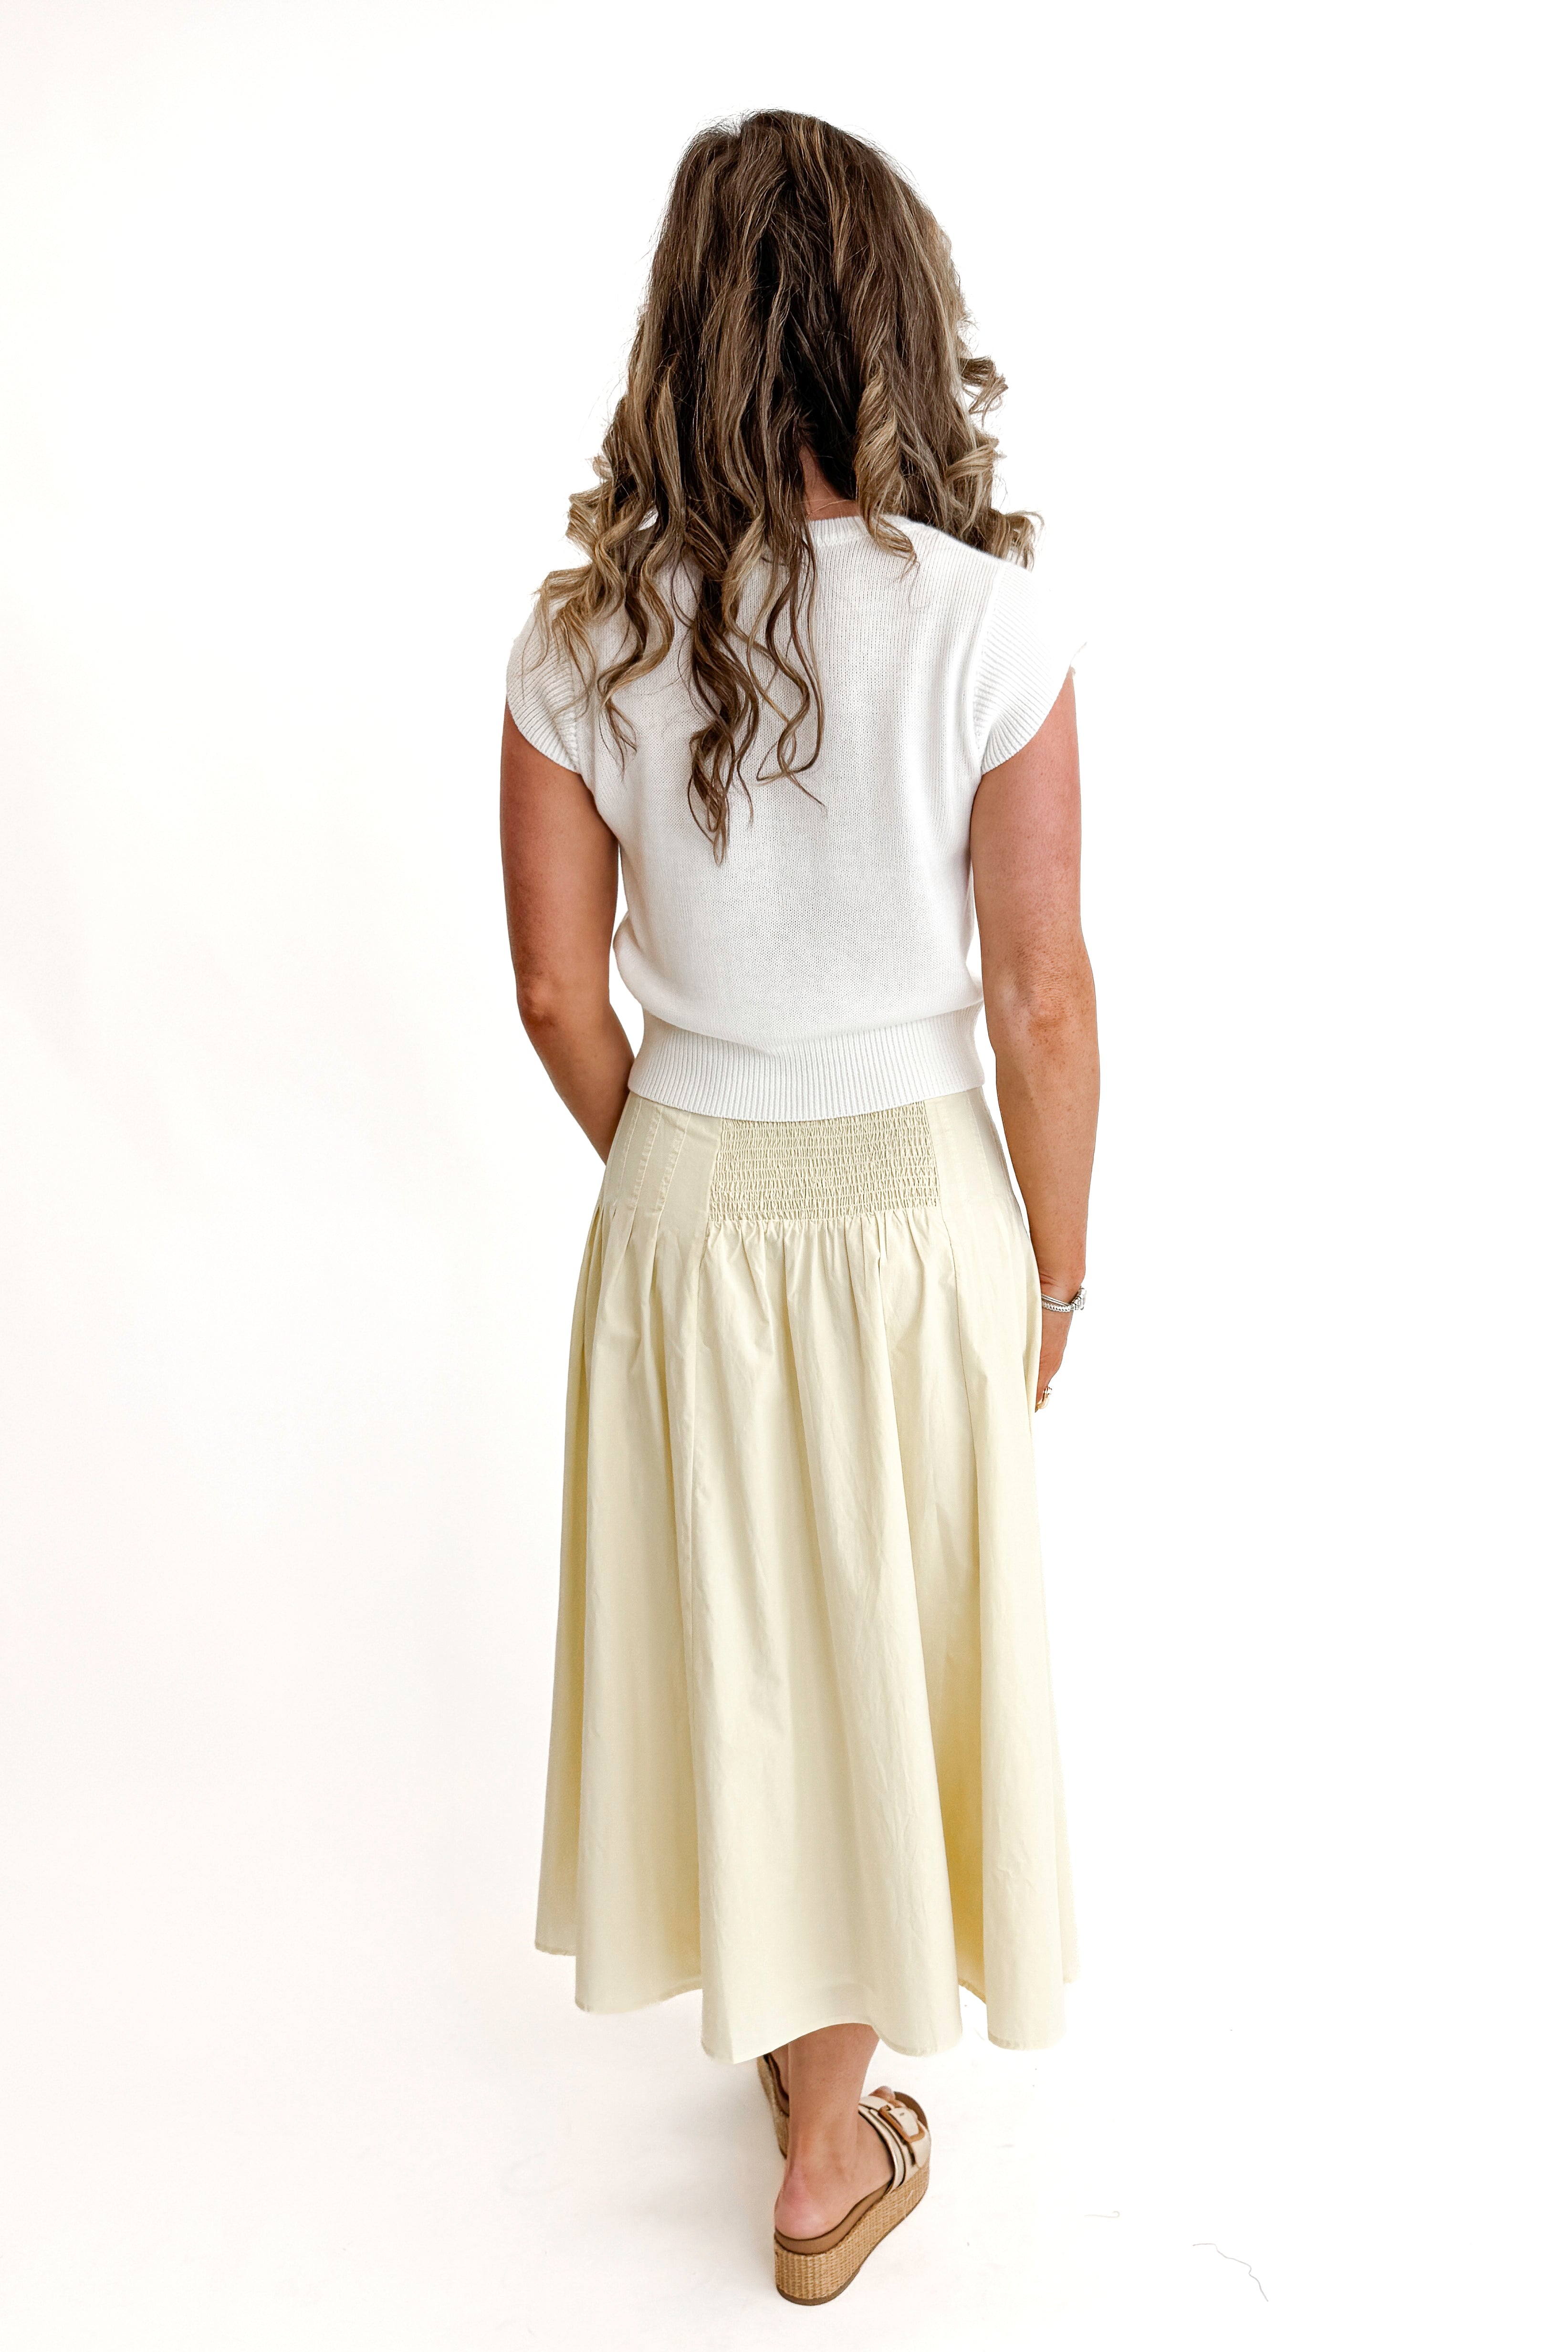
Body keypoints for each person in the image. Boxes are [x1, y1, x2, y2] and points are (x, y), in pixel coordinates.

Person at [498, 108, 1098, 2306]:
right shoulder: (987, 626)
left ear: (683, 337)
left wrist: (676, 1163)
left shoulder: (586, 636)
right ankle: (826, 2149)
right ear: (897, 328)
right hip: (923, 1197)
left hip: (686, 1198)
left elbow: (565, 992)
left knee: (746, 1631)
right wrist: (1060, 1257)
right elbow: (1037, 989)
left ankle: (798, 2060)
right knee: (872, 1632)